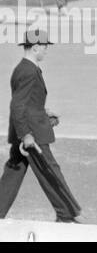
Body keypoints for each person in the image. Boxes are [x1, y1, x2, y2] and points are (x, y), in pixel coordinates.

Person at [0, 28, 82, 223]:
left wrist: (44, 113)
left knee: (14, 171)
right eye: (45, 46)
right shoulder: (28, 71)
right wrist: (26, 135)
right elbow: (18, 106)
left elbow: (26, 103)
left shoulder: (24, 68)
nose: (46, 50)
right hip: (32, 135)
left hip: (29, 128)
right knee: (50, 171)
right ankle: (66, 214)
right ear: (36, 47)